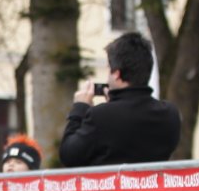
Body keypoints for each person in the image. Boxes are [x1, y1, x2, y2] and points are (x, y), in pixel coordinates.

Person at [60, 32, 181, 166]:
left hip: (109, 180)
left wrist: (80, 108)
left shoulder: (101, 116)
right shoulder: (169, 113)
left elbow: (68, 155)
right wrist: (113, 106)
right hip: (153, 180)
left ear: (117, 74)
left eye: (109, 69)